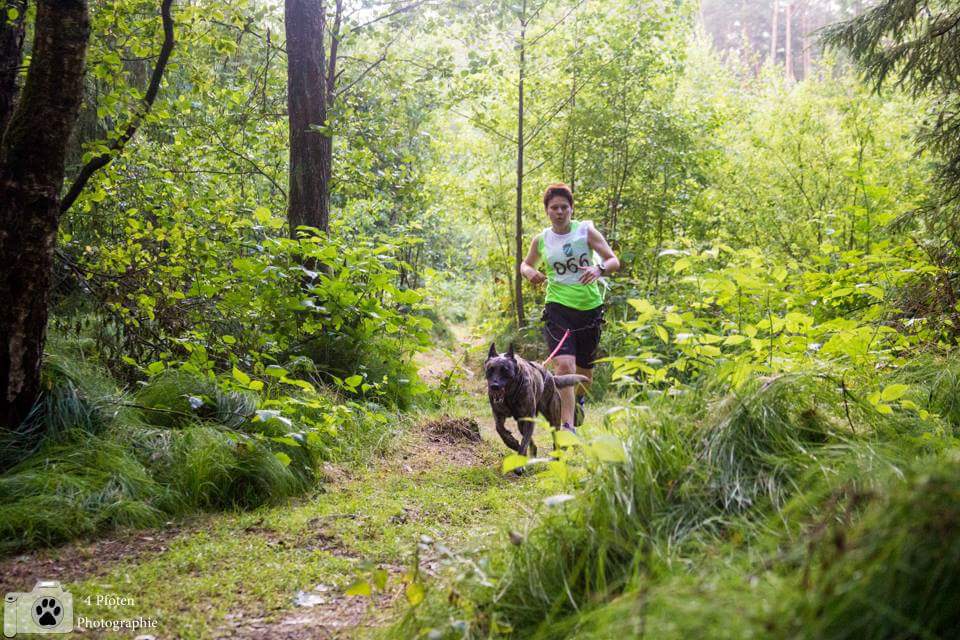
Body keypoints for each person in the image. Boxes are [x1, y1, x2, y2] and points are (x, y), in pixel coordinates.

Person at [520, 182, 620, 433]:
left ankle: (579, 401)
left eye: (564, 207)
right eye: (554, 207)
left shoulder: (585, 231)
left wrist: (599, 269)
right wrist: (530, 273)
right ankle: (567, 427)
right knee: (564, 367)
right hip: (557, 308)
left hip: (589, 310)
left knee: (584, 376)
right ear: (547, 210)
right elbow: (525, 264)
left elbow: (613, 260)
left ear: (572, 209)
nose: (559, 212)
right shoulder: (541, 240)